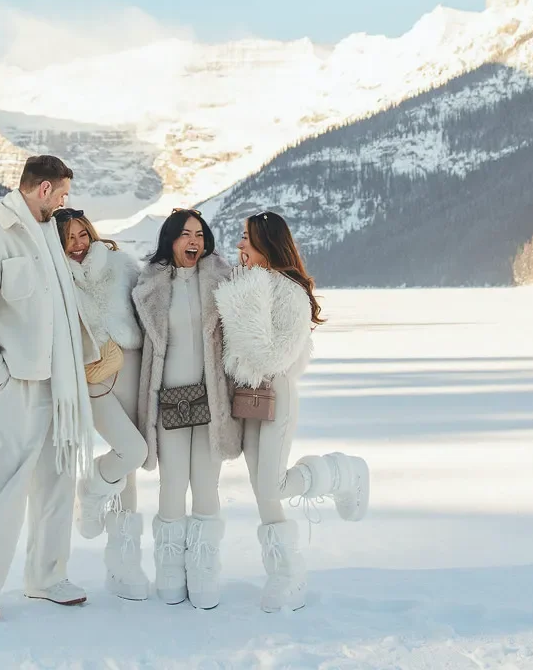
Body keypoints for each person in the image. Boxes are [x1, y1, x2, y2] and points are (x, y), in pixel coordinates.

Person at [0, 155, 96, 621]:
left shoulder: (47, 236)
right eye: (62, 194)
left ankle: (47, 575)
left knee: (57, 479)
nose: (64, 203)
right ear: (42, 190)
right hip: (20, 383)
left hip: (61, 383)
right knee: (5, 485)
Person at [216, 210, 371, 613]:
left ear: (267, 244)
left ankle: (343, 472)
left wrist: (241, 301)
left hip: (276, 392)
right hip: (246, 393)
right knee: (261, 487)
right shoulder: (251, 285)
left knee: (272, 485)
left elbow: (273, 354)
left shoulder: (288, 293)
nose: (239, 246)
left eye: (246, 239)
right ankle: (284, 574)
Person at [132, 208, 241, 609]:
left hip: (212, 402)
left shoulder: (224, 282)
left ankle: (205, 570)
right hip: (168, 403)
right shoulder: (149, 286)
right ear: (171, 240)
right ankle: (170, 574)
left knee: (207, 485)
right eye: (185, 234)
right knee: (172, 484)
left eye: (199, 233)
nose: (193, 240)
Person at [56, 208, 149, 601]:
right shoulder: (55, 279)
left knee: (129, 471)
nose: (77, 244)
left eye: (81, 235)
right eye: (68, 239)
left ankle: (124, 566)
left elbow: (150, 311)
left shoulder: (122, 265)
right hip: (93, 379)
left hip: (130, 370)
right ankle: (91, 486)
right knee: (133, 452)